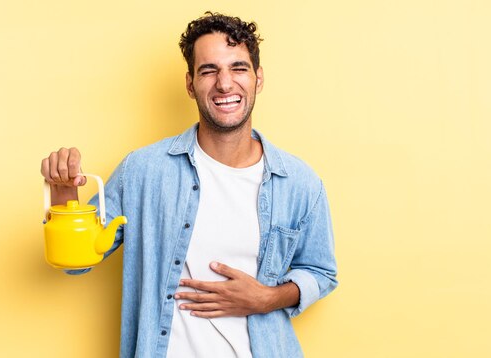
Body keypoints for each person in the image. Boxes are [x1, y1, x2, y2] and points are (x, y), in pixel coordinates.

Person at [40, 12, 337, 358]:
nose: (225, 84)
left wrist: (268, 298)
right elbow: (77, 261)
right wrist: (63, 193)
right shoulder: (143, 171)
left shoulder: (299, 183)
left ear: (258, 78)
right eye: (209, 70)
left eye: (238, 68)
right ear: (190, 83)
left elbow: (321, 272)